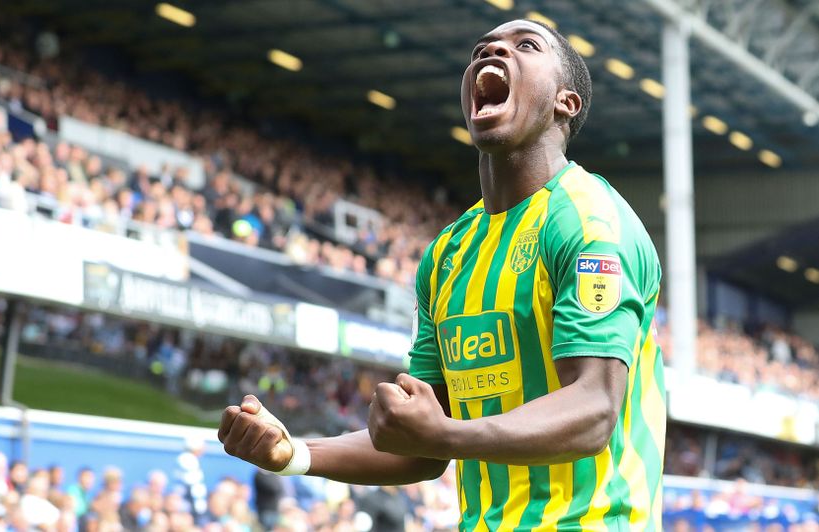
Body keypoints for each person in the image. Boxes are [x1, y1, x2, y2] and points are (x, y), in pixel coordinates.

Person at [218, 18, 666, 530]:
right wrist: (294, 453)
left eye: (526, 45)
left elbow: (593, 411)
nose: (492, 52)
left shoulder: (589, 221)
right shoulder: (448, 253)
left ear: (566, 102)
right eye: (481, 49)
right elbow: (421, 448)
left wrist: (446, 434)